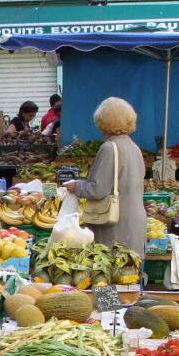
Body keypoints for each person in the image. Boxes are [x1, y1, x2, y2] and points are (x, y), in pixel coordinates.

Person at [64, 97, 147, 256]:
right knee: (130, 272)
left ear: (104, 122)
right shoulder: (133, 147)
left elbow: (98, 190)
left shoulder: (110, 148)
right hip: (135, 220)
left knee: (112, 271)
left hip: (116, 223)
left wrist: (76, 186)